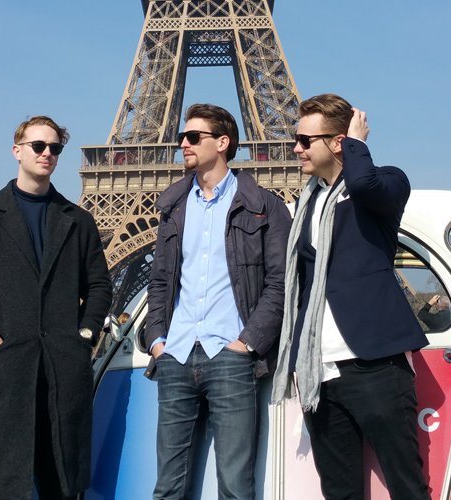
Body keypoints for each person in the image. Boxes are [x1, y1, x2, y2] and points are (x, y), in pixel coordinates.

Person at [0, 116, 111, 500]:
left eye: (55, 148)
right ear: (17, 150)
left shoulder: (79, 222)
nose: (47, 153)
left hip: (61, 371)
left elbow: (99, 285)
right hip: (5, 371)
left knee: (61, 486)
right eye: (38, 146)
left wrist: (83, 335)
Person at [272, 94, 430, 499]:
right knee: (340, 492)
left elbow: (363, 182)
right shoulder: (306, 203)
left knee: (406, 488)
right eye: (297, 139)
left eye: (306, 141)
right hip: (319, 374)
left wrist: (358, 144)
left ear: (337, 142)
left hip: (374, 364)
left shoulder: (385, 182)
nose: (296, 148)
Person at [145, 103, 291, 499]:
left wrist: (248, 343)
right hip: (175, 353)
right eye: (182, 137)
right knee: (167, 487)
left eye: (194, 137)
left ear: (222, 143)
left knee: (235, 486)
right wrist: (157, 340)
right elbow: (160, 279)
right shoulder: (172, 206)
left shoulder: (264, 205)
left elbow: (280, 281)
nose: (183, 143)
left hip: (231, 355)